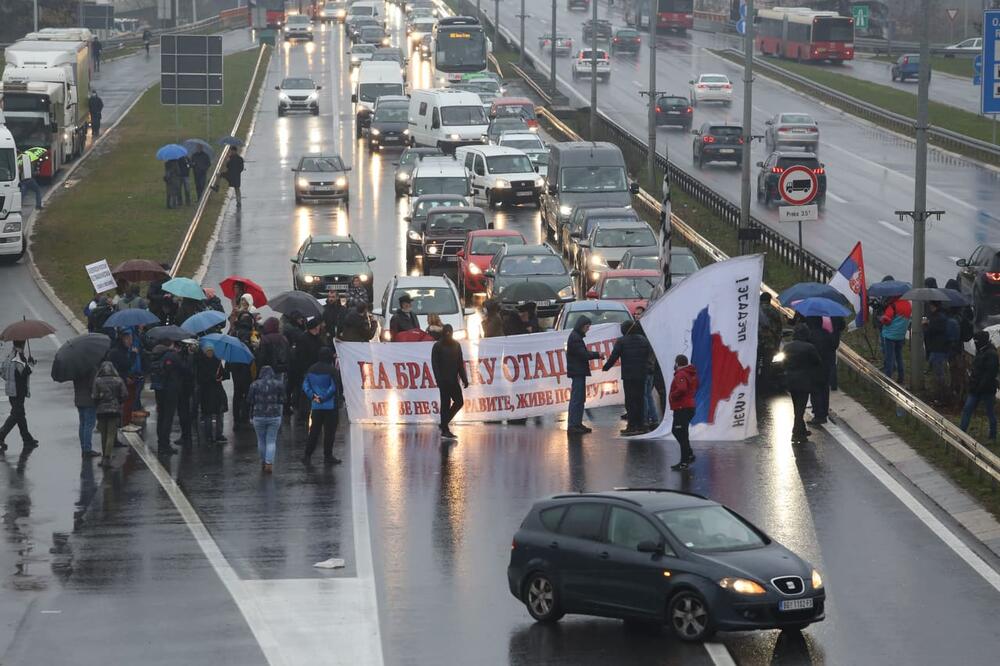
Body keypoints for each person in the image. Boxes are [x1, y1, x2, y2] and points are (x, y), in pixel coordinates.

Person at [602, 321, 652, 436]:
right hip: (642, 374)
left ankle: (632, 425)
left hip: (629, 375)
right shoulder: (644, 340)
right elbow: (649, 355)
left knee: (630, 401)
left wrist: (606, 367)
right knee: (640, 400)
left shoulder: (622, 341)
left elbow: (614, 356)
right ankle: (642, 425)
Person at [783, 325, 824, 444]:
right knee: (800, 408)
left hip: (791, 380)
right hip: (804, 380)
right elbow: (817, 362)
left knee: (797, 406)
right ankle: (796, 433)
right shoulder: (809, 347)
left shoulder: (787, 346)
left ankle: (801, 430)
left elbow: (783, 363)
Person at [302, 348, 341, 465]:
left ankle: (307, 455)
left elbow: (305, 385)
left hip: (316, 406)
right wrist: (323, 398)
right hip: (330, 406)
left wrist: (313, 397)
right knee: (329, 432)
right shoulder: (332, 370)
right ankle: (328, 456)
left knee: (314, 431)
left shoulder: (311, 369)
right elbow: (333, 388)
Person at [431, 324, 469, 439]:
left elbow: (460, 364)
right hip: (444, 380)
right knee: (445, 404)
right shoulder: (437, 346)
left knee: (459, 402)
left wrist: (464, 379)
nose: (448, 335)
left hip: (452, 379)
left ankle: (444, 423)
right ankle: (444, 429)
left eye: (449, 333)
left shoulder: (456, 345)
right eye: (446, 332)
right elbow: (435, 365)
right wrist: (438, 379)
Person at [960, 332, 999, 440]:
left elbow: (990, 374)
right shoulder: (980, 351)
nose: (975, 344)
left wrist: (979, 387)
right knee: (967, 409)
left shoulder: (991, 354)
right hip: (975, 388)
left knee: (990, 412)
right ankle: (961, 432)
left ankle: (993, 436)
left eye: (976, 341)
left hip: (987, 390)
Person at [566, 316, 601, 434]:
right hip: (578, 372)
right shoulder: (576, 338)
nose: (588, 329)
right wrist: (597, 354)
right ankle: (573, 425)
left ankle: (577, 423)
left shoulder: (575, 336)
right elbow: (583, 354)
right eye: (587, 327)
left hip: (578, 371)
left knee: (580, 398)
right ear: (582, 326)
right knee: (577, 399)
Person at [0, 341, 36, 454]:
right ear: (22, 345)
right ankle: (1, 435)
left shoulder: (10, 355)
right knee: (16, 415)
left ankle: (27, 439)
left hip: (11, 391)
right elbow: (24, 373)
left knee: (20, 415)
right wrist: (31, 364)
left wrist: (10, 379)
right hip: (18, 392)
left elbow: (2, 372)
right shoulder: (18, 357)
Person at [248, 365, 285, 473]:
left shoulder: (254, 385)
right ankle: (269, 463)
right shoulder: (278, 384)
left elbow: (249, 400)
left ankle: (263, 461)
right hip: (274, 415)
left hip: (258, 415)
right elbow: (283, 399)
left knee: (261, 440)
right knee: (271, 441)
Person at [150, 339, 182, 454]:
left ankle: (161, 442)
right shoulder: (171, 355)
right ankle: (165, 444)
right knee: (168, 417)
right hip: (170, 389)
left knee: (161, 416)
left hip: (159, 387)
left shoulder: (156, 354)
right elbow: (182, 368)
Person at [91, 361, 127, 466]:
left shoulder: (97, 381)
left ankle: (104, 457)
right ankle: (107, 456)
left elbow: (95, 396)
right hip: (114, 410)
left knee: (104, 434)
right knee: (111, 434)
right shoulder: (118, 380)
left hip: (101, 411)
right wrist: (118, 402)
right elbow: (124, 394)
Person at [669, 355, 698, 470]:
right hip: (689, 406)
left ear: (677, 363)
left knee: (679, 432)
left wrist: (672, 396)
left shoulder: (681, 374)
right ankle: (688, 454)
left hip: (682, 407)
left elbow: (682, 389)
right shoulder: (690, 373)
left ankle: (685, 461)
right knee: (681, 432)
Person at [195, 346, 228, 443]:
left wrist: (218, 377)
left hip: (208, 392)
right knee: (216, 414)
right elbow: (223, 375)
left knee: (209, 414)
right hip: (215, 391)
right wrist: (217, 377)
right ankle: (217, 435)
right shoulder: (215, 362)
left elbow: (199, 379)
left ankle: (210, 436)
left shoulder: (202, 362)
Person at [805, 317, 834, 425]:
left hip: (814, 366)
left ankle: (818, 414)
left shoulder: (810, 336)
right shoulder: (827, 333)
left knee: (815, 390)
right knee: (824, 388)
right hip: (826, 365)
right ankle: (824, 411)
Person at [924, 301, 950, 404]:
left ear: (934, 306)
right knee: (936, 371)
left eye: (930, 306)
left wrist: (926, 325)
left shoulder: (938, 318)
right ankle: (938, 394)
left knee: (939, 374)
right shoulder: (940, 317)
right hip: (938, 348)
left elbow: (931, 331)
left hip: (937, 349)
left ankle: (940, 396)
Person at [879, 295, 910, 382]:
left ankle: (887, 378)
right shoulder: (908, 305)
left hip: (890, 335)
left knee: (889, 357)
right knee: (899, 356)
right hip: (900, 335)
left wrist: (881, 319)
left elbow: (887, 320)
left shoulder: (893, 306)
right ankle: (901, 377)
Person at [757, 292, 784, 392]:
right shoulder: (774, 311)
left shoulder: (754, 310)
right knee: (767, 366)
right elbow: (779, 329)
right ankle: (765, 387)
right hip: (770, 344)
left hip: (756, 344)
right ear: (769, 300)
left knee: (754, 364)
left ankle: (754, 385)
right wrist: (777, 345)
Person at [73, 364, 100, 458]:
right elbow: (93, 386)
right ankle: (87, 450)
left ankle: (84, 448)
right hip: (89, 400)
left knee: (83, 424)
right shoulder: (92, 368)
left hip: (78, 399)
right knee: (89, 425)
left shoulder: (76, 368)